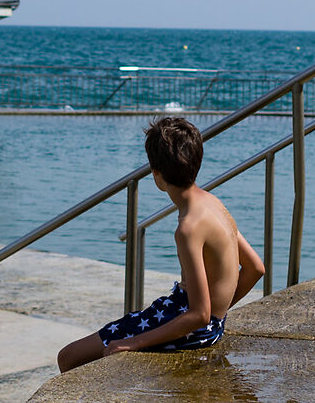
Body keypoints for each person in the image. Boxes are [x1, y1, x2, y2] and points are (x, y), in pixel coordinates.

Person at [57, 115, 267, 371]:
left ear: (156, 174)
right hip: (208, 324)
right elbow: (256, 268)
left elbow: (198, 313)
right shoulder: (214, 203)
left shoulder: (188, 228)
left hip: (194, 325)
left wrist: (133, 342)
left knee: (68, 357)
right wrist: (218, 315)